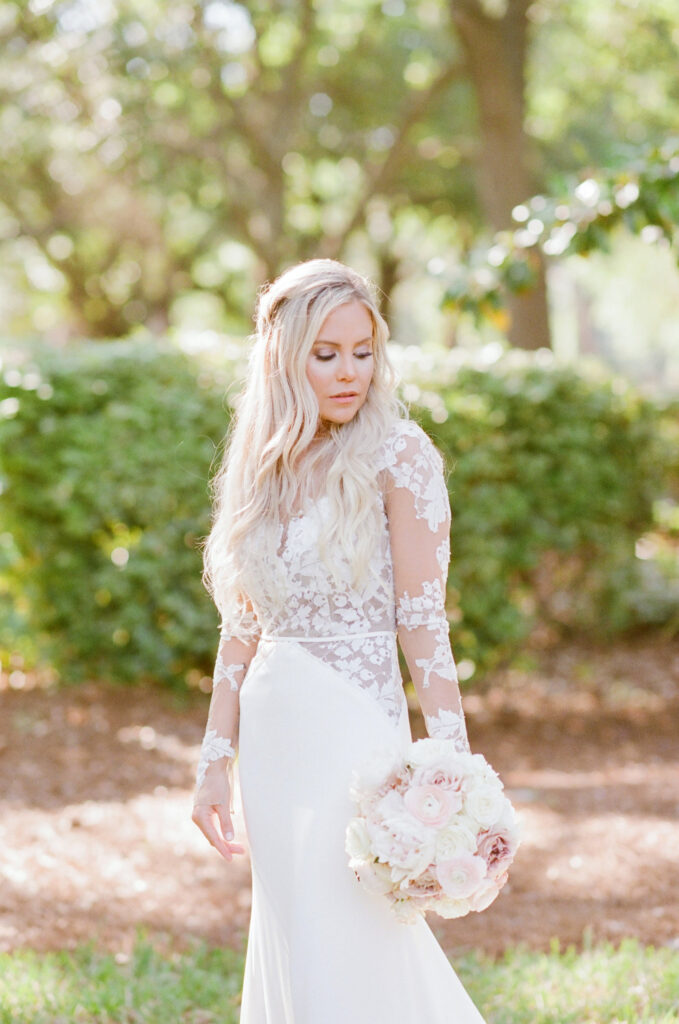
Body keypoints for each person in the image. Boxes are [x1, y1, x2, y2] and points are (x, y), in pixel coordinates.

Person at [192, 259, 486, 1023]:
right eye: (326, 353)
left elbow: (422, 621)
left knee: (355, 928)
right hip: (272, 734)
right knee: (294, 931)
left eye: (363, 351)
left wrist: (452, 765)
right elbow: (241, 627)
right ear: (283, 358)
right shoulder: (263, 467)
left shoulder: (400, 455)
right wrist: (212, 763)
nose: (348, 371)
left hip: (355, 731)